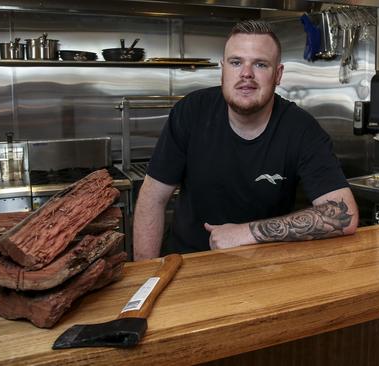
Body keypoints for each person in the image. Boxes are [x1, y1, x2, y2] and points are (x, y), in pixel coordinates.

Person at [133, 20, 358, 259]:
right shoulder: (191, 112)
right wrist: (145, 276)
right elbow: (153, 199)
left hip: (266, 269)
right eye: (236, 62)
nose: (246, 73)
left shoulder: (301, 129)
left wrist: (245, 233)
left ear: (278, 74)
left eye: (260, 64)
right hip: (188, 263)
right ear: (223, 69)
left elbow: (345, 216)